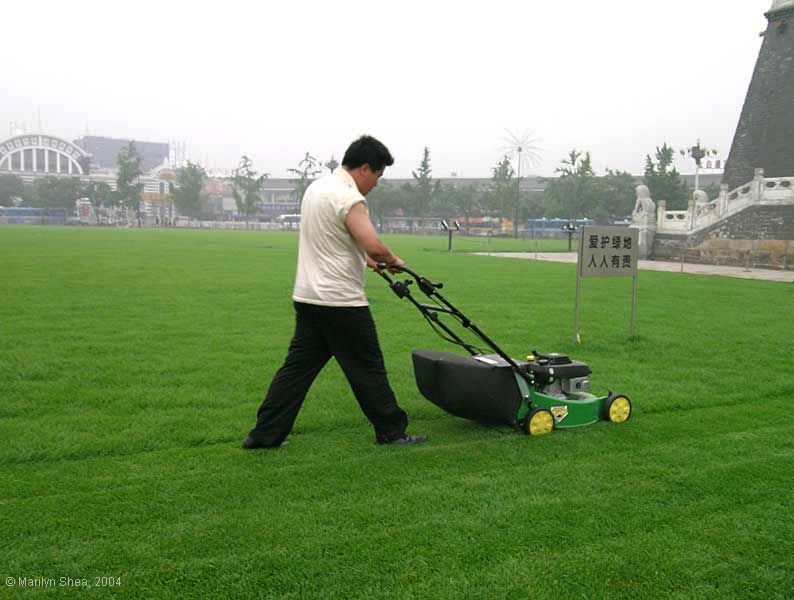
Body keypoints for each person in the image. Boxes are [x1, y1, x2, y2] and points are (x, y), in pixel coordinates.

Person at [243, 135, 427, 449]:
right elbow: (371, 242)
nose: (376, 185)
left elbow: (333, 238)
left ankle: (264, 435)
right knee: (368, 368)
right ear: (366, 168)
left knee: (296, 371)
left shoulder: (317, 188)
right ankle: (392, 432)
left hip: (308, 297)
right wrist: (391, 259)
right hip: (341, 301)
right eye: (378, 177)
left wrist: (367, 260)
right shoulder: (348, 197)